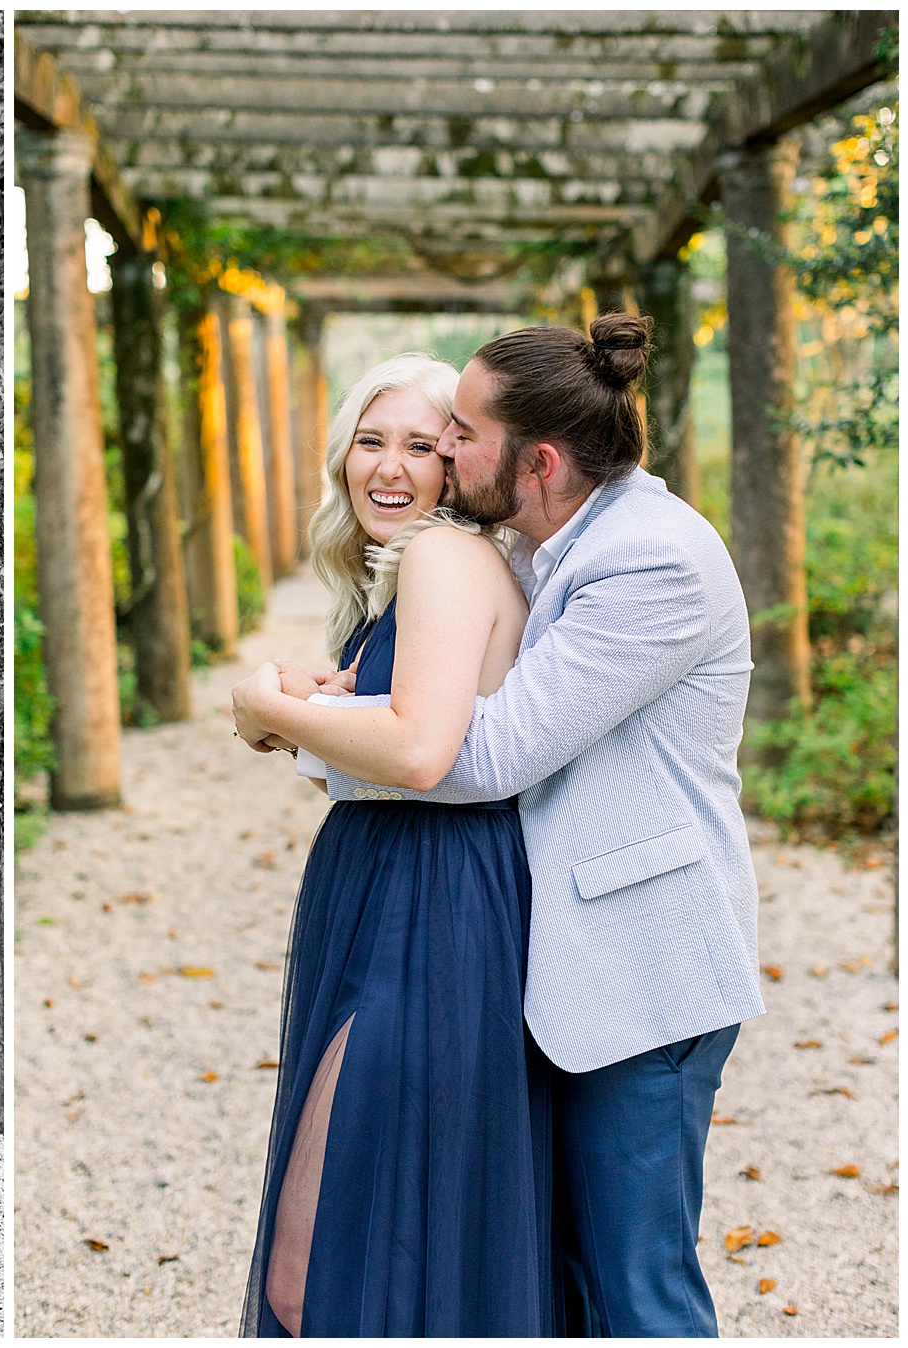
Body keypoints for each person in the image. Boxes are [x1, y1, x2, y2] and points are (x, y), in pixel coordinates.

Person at [242, 313, 762, 1336]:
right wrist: (332, 706)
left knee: (634, 1289)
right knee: (558, 1282)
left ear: (540, 460)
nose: (435, 454)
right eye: (390, 439)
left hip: (636, 970)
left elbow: (475, 752)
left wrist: (270, 710)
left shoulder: (652, 557)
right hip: (536, 952)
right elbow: (442, 708)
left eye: (455, 437)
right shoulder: (531, 543)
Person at [228, 353, 557, 1336]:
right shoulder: (424, 567)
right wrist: (298, 714)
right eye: (372, 440)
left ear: (458, 461)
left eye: (422, 444)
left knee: (312, 1258)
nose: (390, 467)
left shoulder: (441, 557)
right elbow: (404, 733)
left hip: (432, 903)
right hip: (398, 887)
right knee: (379, 1227)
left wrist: (259, 702)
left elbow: (419, 749)